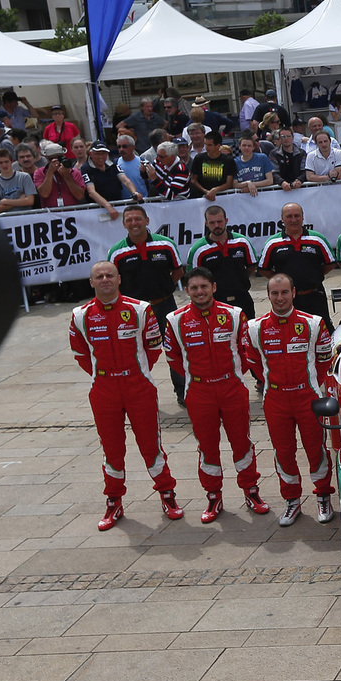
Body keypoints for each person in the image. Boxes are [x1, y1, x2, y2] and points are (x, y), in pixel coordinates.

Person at [70, 260, 184, 529]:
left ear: (119, 279)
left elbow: (154, 347)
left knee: (151, 447)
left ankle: (167, 495)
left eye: (110, 275)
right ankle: (113, 501)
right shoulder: (80, 315)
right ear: (91, 282)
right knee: (112, 450)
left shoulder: (140, 309)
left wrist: (134, 372)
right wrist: (106, 374)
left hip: (138, 387)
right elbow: (80, 355)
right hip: (104, 390)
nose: (105, 279)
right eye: (99, 276)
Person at [162, 267, 267, 523]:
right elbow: (172, 356)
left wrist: (233, 374)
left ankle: (251, 492)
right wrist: (193, 375)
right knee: (208, 449)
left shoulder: (234, 315)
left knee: (242, 444)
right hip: (199, 392)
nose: (199, 292)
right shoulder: (175, 320)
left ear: (214, 287)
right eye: (194, 288)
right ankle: (213, 497)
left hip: (231, 388)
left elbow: (247, 352)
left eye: (204, 287)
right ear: (186, 291)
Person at [240, 273, 336, 526]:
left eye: (284, 292)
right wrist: (276, 382)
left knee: (316, 449)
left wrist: (310, 383)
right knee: (284, 452)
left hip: (309, 396)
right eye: (274, 293)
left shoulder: (313, 323)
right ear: (268, 295)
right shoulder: (254, 327)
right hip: (276, 398)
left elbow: (325, 359)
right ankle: (292, 500)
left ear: (293, 293)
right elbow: (253, 362)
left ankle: (324, 495)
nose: (279, 298)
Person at [109, 205, 186, 403]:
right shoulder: (116, 252)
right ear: (124, 224)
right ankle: (138, 394)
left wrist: (165, 289)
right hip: (134, 312)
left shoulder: (166, 244)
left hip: (165, 305)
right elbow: (113, 282)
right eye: (130, 220)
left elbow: (178, 271)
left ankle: (183, 392)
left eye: (138, 219)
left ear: (147, 221)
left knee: (174, 349)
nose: (134, 223)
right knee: (135, 352)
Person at [258, 202, 337, 328]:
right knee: (288, 333)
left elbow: (331, 263)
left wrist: (315, 275)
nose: (293, 220)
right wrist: (281, 282)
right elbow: (263, 269)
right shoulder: (272, 243)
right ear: (282, 219)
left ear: (303, 217)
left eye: (297, 216)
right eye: (289, 216)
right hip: (287, 300)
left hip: (315, 296)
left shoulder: (317, 239)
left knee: (323, 331)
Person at [188, 205, 258, 320]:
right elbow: (193, 278)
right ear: (206, 224)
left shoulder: (242, 242)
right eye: (212, 223)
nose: (217, 226)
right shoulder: (198, 249)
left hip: (243, 300)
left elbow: (252, 266)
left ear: (226, 221)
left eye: (220, 221)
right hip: (214, 303)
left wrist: (240, 279)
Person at [0, 147, 35, 214]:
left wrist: (6, 201)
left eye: (6, 162)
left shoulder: (24, 177)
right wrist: (20, 200)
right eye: (0, 163)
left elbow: (30, 201)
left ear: (12, 161)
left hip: (25, 217)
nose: (4, 165)